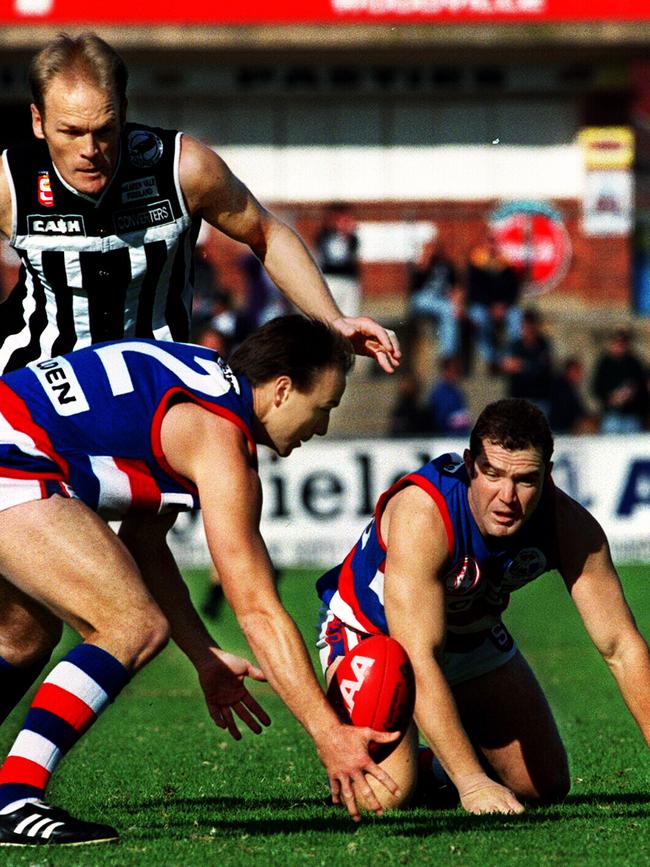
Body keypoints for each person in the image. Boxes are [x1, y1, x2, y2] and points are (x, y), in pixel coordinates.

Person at [0, 316, 400, 846]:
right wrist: (330, 735)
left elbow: (145, 545)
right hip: (15, 456)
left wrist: (205, 655)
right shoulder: (220, 437)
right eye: (322, 408)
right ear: (282, 391)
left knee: (24, 636)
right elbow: (256, 610)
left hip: (15, 440)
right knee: (130, 624)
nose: (321, 428)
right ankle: (14, 799)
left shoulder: (201, 381)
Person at [316, 398, 650, 815]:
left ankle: (435, 767)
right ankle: (431, 770)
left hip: (469, 634)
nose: (506, 496)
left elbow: (621, 646)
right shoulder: (426, 512)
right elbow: (419, 656)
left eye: (525, 480)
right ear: (470, 463)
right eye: (492, 474)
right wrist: (473, 784)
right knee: (386, 798)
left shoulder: (570, 526)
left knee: (543, 785)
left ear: (547, 475)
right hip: (375, 638)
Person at [0, 33, 400, 376]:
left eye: (103, 130)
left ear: (122, 112)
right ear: (38, 122)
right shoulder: (10, 183)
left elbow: (266, 233)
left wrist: (333, 319)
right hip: (33, 387)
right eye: (70, 132)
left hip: (152, 390)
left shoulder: (181, 168)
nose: (89, 150)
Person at [466, 233, 522, 370]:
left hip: (503, 307)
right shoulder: (476, 264)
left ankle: (509, 357)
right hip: (483, 306)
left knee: (517, 317)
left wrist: (503, 305)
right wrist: (490, 306)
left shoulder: (505, 265)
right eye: (489, 242)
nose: (492, 246)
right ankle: (491, 358)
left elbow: (513, 290)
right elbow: (474, 291)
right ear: (484, 245)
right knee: (477, 318)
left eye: (494, 242)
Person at [408, 235, 466, 363]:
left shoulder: (448, 266)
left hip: (441, 301)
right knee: (448, 309)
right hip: (422, 299)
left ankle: (447, 355)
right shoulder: (422, 265)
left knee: (451, 312)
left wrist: (458, 303)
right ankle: (448, 354)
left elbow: (457, 287)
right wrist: (426, 259)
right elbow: (414, 288)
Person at [590, 327, 648, 434]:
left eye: (622, 343)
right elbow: (595, 388)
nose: (619, 346)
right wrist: (611, 397)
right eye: (617, 343)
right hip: (611, 415)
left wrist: (631, 395)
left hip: (632, 416)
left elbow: (643, 387)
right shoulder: (604, 363)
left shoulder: (635, 363)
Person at [500, 309, 554, 416]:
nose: (528, 330)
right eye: (525, 327)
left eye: (531, 327)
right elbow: (507, 366)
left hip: (540, 399)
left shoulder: (544, 344)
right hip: (518, 399)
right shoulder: (515, 345)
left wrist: (522, 365)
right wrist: (529, 365)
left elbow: (541, 369)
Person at [314, 203, 361, 317]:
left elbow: (351, 259)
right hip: (331, 280)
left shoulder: (352, 239)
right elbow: (334, 258)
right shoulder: (324, 236)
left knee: (350, 315)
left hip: (348, 281)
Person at [426, 356, 472, 436]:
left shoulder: (457, 392)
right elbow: (439, 419)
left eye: (458, 371)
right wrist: (455, 421)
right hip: (445, 437)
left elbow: (463, 414)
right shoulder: (438, 392)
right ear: (446, 371)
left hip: (460, 436)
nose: (457, 374)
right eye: (454, 371)